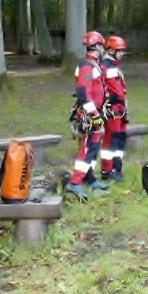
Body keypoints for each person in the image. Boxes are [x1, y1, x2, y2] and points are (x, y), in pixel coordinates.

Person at [66, 31, 111, 201]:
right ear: (98, 46)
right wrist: (94, 114)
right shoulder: (87, 66)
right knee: (86, 149)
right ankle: (75, 183)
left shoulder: (93, 64)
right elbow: (84, 93)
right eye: (102, 46)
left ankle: (89, 178)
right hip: (88, 114)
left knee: (92, 148)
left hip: (94, 112)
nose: (103, 49)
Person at [100, 35, 128, 182]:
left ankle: (116, 168)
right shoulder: (106, 66)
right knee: (111, 140)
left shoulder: (113, 66)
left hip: (120, 109)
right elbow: (113, 91)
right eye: (120, 50)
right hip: (113, 109)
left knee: (119, 139)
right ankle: (107, 170)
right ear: (111, 50)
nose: (122, 53)